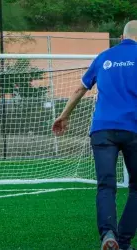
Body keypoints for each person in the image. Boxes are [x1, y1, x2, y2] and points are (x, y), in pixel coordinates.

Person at [52, 20, 137, 250]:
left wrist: (64, 115)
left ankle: (108, 234)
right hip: (133, 129)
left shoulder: (103, 57)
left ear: (121, 37)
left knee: (106, 185)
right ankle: (124, 241)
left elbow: (80, 88)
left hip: (102, 129)